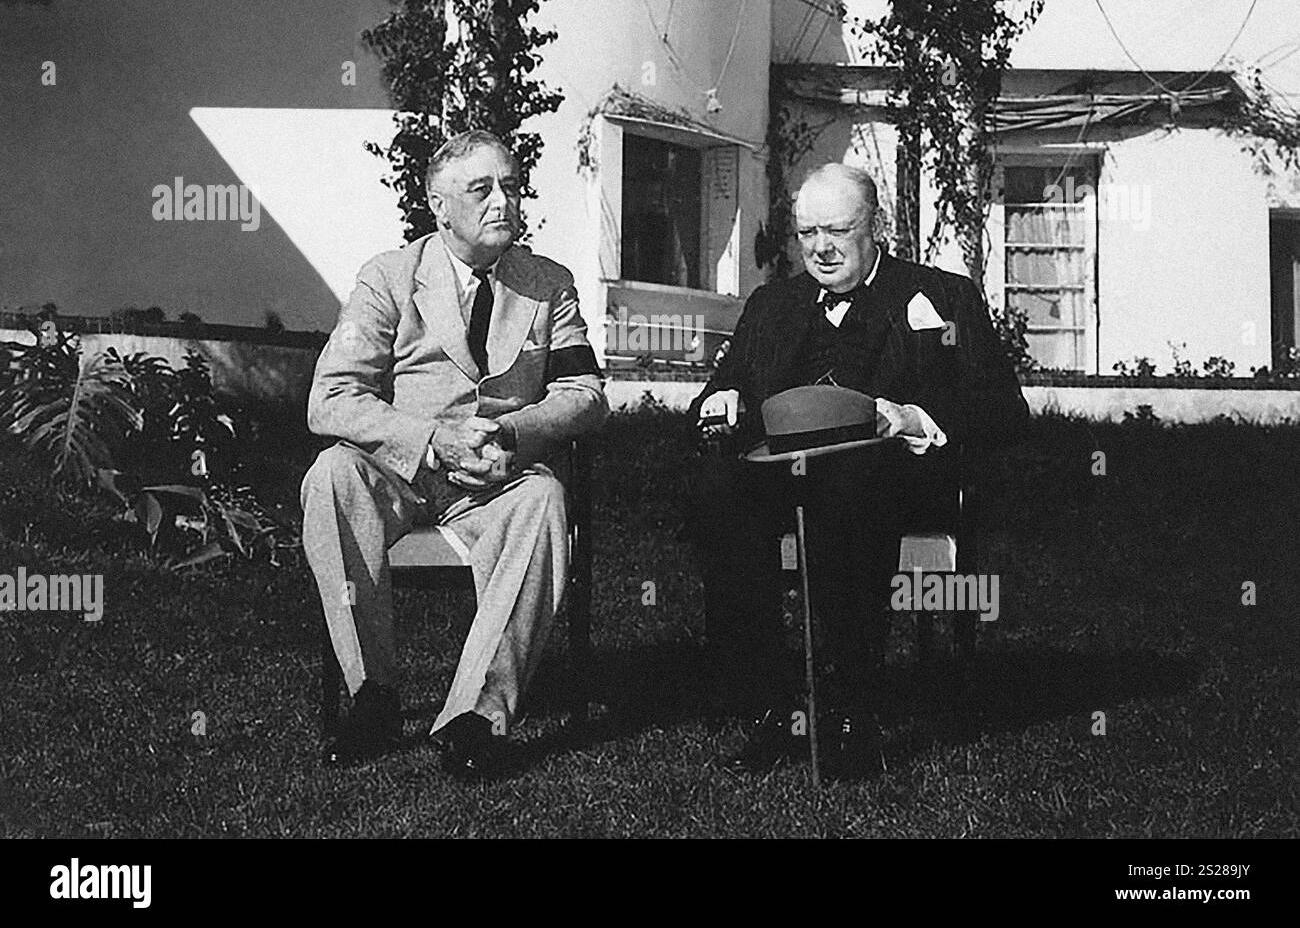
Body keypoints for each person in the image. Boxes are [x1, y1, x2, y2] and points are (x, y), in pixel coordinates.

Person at [687, 162, 1029, 780]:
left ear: (877, 226)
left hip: (894, 477)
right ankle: (768, 703)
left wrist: (915, 419)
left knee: (848, 487)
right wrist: (721, 402)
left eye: (838, 231)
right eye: (807, 233)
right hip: (783, 473)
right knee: (716, 492)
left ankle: (851, 711)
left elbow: (1004, 414)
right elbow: (719, 392)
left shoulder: (940, 297)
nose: (820, 248)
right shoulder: (773, 304)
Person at [301, 130, 607, 777]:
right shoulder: (387, 276)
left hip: (497, 481)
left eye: (511, 186)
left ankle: (476, 716)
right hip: (403, 475)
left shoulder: (549, 284)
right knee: (330, 474)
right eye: (481, 189)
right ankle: (373, 695)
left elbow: (585, 394)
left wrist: (514, 435)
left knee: (546, 498)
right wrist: (431, 439)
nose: (503, 201)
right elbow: (330, 398)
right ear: (439, 205)